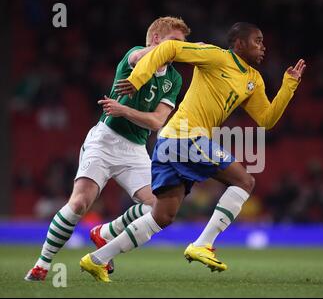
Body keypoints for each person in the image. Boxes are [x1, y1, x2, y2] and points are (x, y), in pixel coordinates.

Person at [80, 22, 306, 282]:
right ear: (239, 44)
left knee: (163, 216)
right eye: (257, 40)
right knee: (245, 180)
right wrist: (137, 78)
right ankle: (203, 244)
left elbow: (266, 119)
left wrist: (289, 85)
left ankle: (97, 259)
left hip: (169, 141)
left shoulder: (253, 80)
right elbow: (170, 48)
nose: (263, 46)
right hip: (185, 136)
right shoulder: (215, 56)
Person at [24, 16, 191, 281]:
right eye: (175, 43)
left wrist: (124, 109)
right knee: (79, 203)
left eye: (184, 45)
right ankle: (42, 263)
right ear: (157, 40)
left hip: (135, 149)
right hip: (105, 140)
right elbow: (139, 59)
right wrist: (159, 52)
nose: (180, 49)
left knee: (158, 207)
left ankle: (105, 233)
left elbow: (157, 121)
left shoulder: (174, 79)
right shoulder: (134, 56)